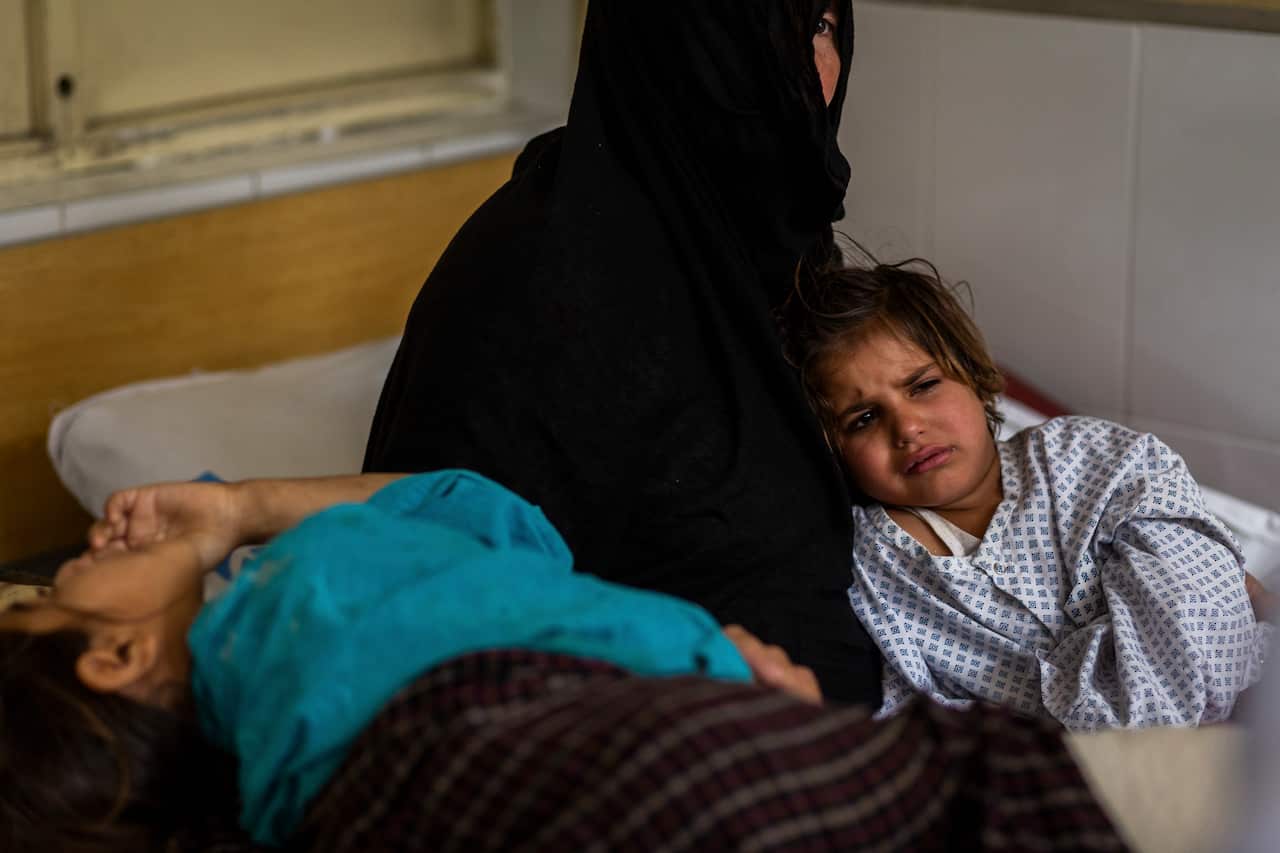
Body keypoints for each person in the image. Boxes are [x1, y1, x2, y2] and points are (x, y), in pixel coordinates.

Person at [0, 472, 1128, 853]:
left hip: (466, 796)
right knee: (1001, 794)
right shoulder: (302, 577)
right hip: (652, 749)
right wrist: (229, 515)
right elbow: (484, 509)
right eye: (54, 593)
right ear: (113, 656)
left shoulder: (267, 792)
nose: (72, 563)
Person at [363, 1, 881, 704]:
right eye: (767, 31)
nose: (812, 66)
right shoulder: (537, 274)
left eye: (821, 26)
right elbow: (439, 588)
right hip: (655, 738)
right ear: (680, 47)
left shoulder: (784, 244)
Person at [778, 256, 1271, 729]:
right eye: (863, 419)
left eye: (923, 385)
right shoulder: (874, 564)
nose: (907, 427)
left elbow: (1198, 606)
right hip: (1074, 774)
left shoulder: (1090, 459)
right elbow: (925, 710)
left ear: (973, 375)